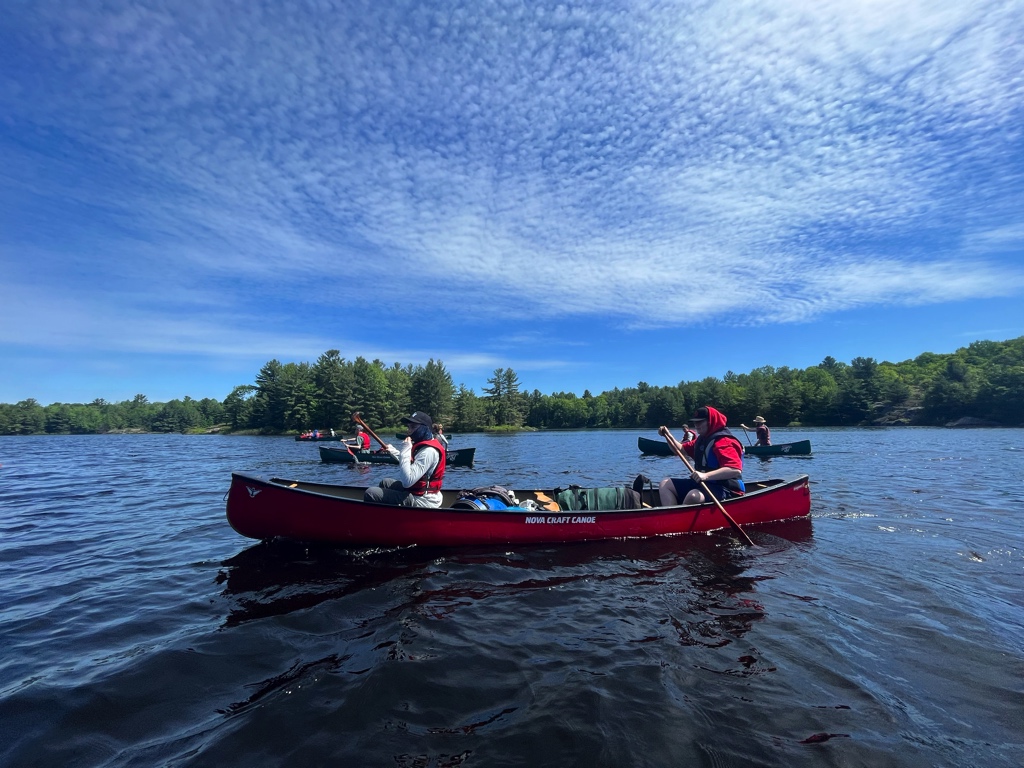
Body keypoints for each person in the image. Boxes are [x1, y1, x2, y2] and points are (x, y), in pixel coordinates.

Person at [657, 405, 745, 506]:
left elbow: (735, 469)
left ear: (710, 421)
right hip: (705, 484)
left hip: (726, 489)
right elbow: (680, 450)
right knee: (665, 484)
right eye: (695, 422)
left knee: (694, 496)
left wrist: (705, 475)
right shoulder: (702, 440)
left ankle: (679, 520)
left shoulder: (724, 441)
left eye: (700, 422)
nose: (696, 425)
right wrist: (668, 436)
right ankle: (670, 517)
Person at [363, 411, 447, 508]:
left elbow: (407, 481)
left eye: (413, 427)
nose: (409, 431)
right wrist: (392, 451)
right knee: (385, 482)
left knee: (371, 493)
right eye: (409, 427)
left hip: (424, 500)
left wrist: (405, 450)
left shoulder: (428, 451)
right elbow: (409, 462)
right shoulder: (423, 446)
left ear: (425, 428)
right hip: (418, 492)